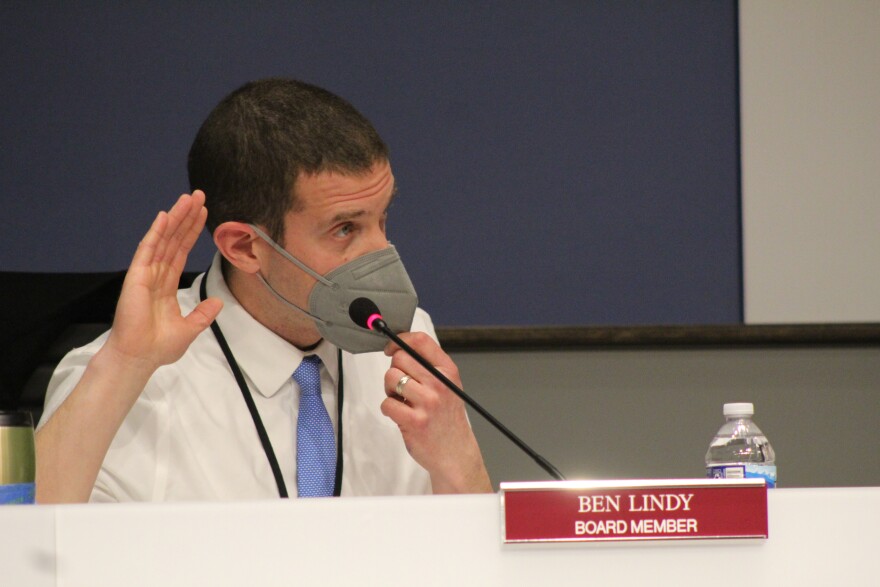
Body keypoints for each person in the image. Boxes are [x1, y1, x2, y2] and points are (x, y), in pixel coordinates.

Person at [35, 78, 492, 503]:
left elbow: (478, 562)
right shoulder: (128, 378)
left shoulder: (406, 346)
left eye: (382, 219)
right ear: (245, 247)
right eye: (345, 229)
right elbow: (26, 550)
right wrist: (124, 365)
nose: (382, 252)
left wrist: (459, 459)